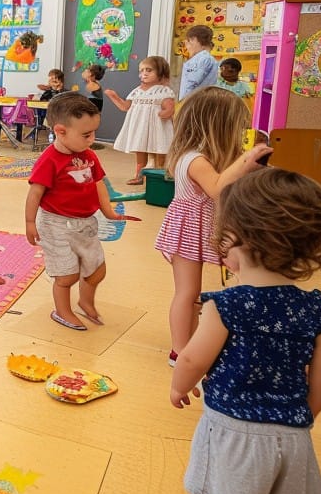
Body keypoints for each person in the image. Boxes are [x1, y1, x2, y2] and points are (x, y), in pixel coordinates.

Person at [156, 168, 321, 494]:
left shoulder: (228, 303)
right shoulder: (313, 306)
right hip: (293, 430)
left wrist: (178, 386)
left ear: (237, 241)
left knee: (207, 481)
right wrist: (304, 414)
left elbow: (192, 359)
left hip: (229, 424)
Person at [154, 87, 271, 365]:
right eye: (236, 128)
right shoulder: (194, 159)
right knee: (187, 292)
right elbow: (219, 189)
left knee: (196, 293)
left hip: (204, 227)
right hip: (187, 230)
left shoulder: (206, 156)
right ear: (218, 127)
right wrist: (245, 160)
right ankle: (180, 351)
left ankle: (195, 341)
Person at [24, 93, 137, 331]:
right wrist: (30, 223)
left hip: (85, 224)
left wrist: (108, 212)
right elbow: (35, 193)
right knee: (66, 276)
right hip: (56, 225)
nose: (92, 139)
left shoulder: (88, 155)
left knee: (96, 270)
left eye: (94, 132)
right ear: (61, 131)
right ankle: (62, 311)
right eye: (86, 135)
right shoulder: (50, 160)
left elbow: (98, 184)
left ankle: (85, 301)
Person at [103, 56, 176, 184]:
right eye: (141, 71)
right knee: (140, 152)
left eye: (149, 70)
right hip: (140, 128)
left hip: (157, 127)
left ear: (160, 72)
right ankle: (139, 175)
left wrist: (166, 112)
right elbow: (125, 106)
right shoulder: (136, 91)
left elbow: (169, 107)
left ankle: (159, 176)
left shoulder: (163, 91)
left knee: (160, 151)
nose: (144, 73)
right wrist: (114, 97)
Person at [179, 24, 219, 100]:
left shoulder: (203, 58)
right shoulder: (206, 58)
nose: (187, 47)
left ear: (194, 40)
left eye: (189, 41)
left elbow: (191, 83)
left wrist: (182, 102)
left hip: (192, 101)